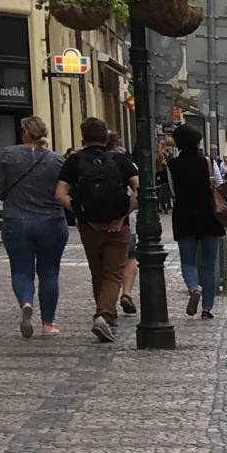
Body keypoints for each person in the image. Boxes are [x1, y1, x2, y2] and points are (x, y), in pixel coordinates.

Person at [57, 117, 141, 341]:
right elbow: (139, 190)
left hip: (89, 227)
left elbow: (60, 194)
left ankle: (108, 317)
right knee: (113, 274)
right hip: (118, 226)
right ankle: (103, 316)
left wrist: (81, 213)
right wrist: (123, 214)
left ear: (83, 138)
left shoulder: (74, 161)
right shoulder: (120, 160)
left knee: (98, 273)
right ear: (106, 137)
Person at [0, 116, 69, 337]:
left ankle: (26, 302)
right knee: (50, 273)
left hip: (17, 220)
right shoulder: (57, 160)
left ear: (24, 132)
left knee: (21, 270)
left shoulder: (7, 155)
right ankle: (48, 324)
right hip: (52, 221)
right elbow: (65, 190)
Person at [166, 125, 227, 318]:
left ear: (177, 144)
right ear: (198, 142)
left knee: (188, 262)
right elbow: (219, 186)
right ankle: (207, 308)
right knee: (209, 264)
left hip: (184, 216)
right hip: (209, 216)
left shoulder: (172, 166)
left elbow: (173, 191)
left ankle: (194, 288)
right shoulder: (208, 163)